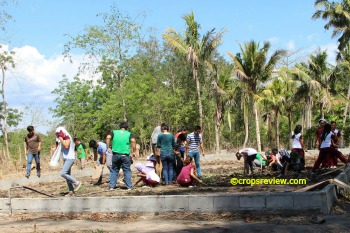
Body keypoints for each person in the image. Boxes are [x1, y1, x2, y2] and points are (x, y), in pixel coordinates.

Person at [106, 122, 136, 190]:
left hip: (115, 155)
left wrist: (108, 147)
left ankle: (111, 186)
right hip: (125, 155)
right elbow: (133, 141)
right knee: (127, 171)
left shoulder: (114, 132)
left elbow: (108, 137)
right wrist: (133, 151)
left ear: (119, 127)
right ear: (126, 127)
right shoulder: (129, 133)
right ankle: (129, 187)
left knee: (114, 170)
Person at [55, 127, 81, 196]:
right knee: (67, 176)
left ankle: (76, 182)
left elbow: (66, 146)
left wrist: (60, 138)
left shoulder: (67, 138)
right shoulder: (63, 139)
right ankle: (71, 191)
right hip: (65, 158)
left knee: (63, 173)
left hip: (70, 158)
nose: (58, 135)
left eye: (59, 134)